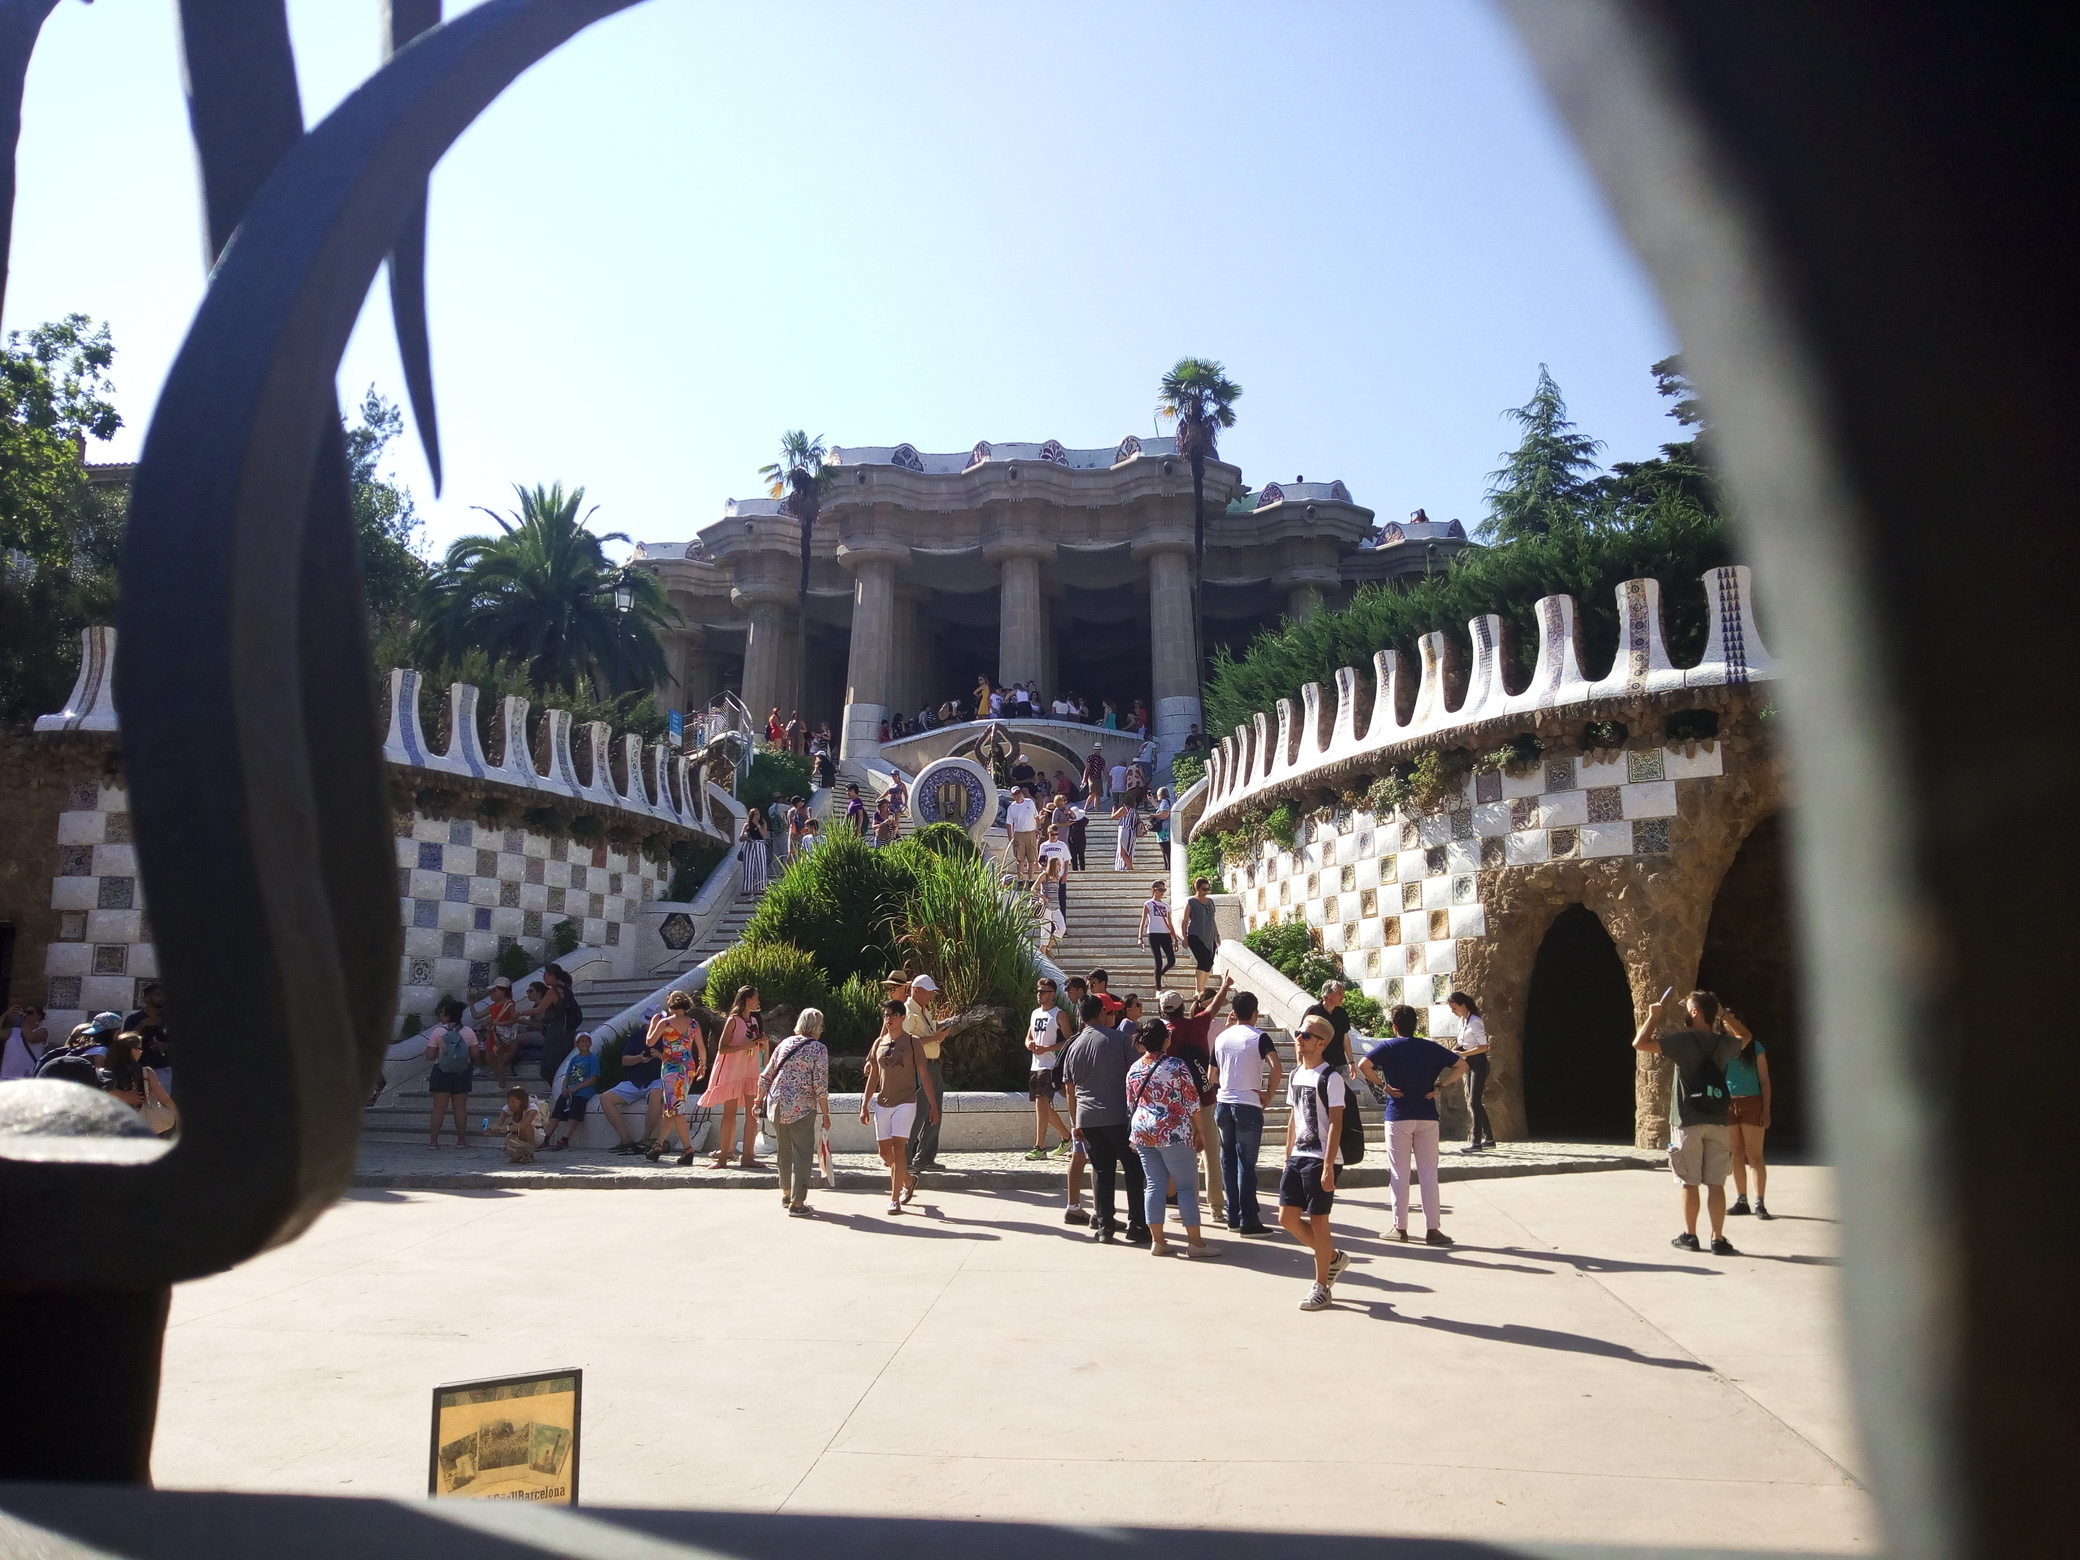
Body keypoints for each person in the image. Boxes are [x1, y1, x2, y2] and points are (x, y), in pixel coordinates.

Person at [1634, 987, 1749, 1255]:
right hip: (1719, 1121)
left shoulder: (1681, 1042)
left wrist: (1653, 1016)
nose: (1685, 1012)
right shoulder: (1723, 1043)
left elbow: (1639, 1043)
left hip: (1687, 1120)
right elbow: (1746, 1036)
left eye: (1687, 1007)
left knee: (1690, 1181)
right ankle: (1718, 1238)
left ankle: (1690, 1235)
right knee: (1716, 1183)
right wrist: (1724, 1015)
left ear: (1696, 1012)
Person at [1360, 1006, 1468, 1244]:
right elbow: (1462, 1065)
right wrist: (1440, 1086)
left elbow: (1363, 1065)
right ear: (1415, 1025)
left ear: (1394, 1026)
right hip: (1427, 1114)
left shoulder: (1389, 1047)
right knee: (1429, 1173)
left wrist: (1383, 1086)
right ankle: (1433, 1229)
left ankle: (1400, 1228)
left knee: (1400, 1173)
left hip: (1398, 1114)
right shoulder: (1430, 1047)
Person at [1127, 1020, 1222, 1259]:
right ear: (1166, 1040)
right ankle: (1195, 1243)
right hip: (1174, 1132)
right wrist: (1200, 1133)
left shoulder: (1135, 1068)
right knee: (1186, 1188)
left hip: (1143, 1132)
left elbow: (1130, 1102)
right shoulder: (1176, 1066)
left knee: (1154, 1185)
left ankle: (1158, 1241)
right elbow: (1192, 1102)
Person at [1061, 994, 1150, 1245]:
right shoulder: (1119, 1039)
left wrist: (1075, 1122)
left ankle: (1104, 1226)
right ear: (1101, 1011)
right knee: (1133, 1168)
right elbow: (1137, 1073)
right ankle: (1137, 1224)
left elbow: (1070, 1088)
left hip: (1087, 1117)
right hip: (1117, 1115)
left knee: (1101, 1170)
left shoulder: (1073, 1046)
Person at [1280, 1013, 1351, 1310]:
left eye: (1305, 1035)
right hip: (1298, 1156)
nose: (1299, 1038)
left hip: (1322, 1158)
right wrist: (1287, 1155)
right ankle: (1333, 1257)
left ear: (1321, 1043)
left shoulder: (1331, 1078)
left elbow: (1336, 1124)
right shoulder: (1296, 1074)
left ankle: (1322, 1286)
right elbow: (1294, 1116)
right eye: (1298, 1033)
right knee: (1287, 1218)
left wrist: (1328, 1165)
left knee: (1319, 1222)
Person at [1158, 974, 1235, 1228]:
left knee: (1184, 1158)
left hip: (1178, 1104)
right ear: (1183, 1007)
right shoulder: (1198, 1024)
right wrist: (1224, 985)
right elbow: (1214, 1005)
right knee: (1212, 1154)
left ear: (1163, 1011)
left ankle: (1186, 1205)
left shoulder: (1162, 1033)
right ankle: (1216, 1209)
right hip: (1205, 1098)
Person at [1211, 989, 1279, 1235]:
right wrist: (1268, 1093)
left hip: (1223, 1103)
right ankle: (1248, 1219)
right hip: (1248, 1103)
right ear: (1255, 1013)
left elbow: (1212, 1076)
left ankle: (1232, 1215)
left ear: (1233, 1012)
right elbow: (1276, 1066)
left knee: (1227, 1161)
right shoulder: (1259, 1037)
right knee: (1246, 1164)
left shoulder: (1221, 1038)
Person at [862, 998, 936, 1214]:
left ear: (902, 1017)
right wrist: (864, 1104)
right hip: (883, 1102)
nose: (888, 1019)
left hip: (906, 1102)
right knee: (885, 1153)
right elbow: (873, 1075)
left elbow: (923, 1073)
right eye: (886, 1015)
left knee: (899, 1148)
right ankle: (908, 1179)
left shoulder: (912, 1042)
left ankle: (894, 1198)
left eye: (892, 1015)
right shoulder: (879, 1043)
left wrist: (933, 1105)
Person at [759, 1006, 832, 1216]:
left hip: (777, 1103)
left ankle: (786, 1193)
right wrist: (826, 1114)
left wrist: (758, 1100)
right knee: (802, 1152)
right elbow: (820, 1085)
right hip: (801, 1106)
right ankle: (798, 1202)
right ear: (817, 1026)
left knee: (784, 1148)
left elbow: (766, 1074)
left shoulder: (785, 1043)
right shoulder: (818, 1049)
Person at [701, 984, 767, 1169]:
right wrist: (746, 1046)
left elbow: (754, 1047)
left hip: (750, 1071)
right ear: (748, 999)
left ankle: (748, 1156)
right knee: (729, 1113)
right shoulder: (733, 1020)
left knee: (752, 1114)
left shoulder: (754, 1022)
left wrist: (760, 1044)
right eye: (756, 997)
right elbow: (722, 1048)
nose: (758, 1001)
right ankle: (723, 1158)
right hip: (733, 1072)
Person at [645, 991, 711, 1165]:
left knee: (676, 1108)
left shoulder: (664, 1022)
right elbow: (701, 1048)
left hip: (671, 1067)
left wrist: (653, 1023)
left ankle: (688, 1150)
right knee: (672, 1106)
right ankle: (657, 1146)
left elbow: (650, 1042)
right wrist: (703, 1066)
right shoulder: (693, 1024)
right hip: (688, 1067)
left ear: (671, 1004)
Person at [900, 971, 955, 1175]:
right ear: (916, 991)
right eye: (928, 993)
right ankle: (905, 1157)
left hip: (932, 1064)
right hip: (919, 1066)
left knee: (935, 1111)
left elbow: (927, 1038)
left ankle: (925, 1157)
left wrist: (937, 1035)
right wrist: (934, 1038)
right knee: (921, 1111)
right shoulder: (908, 1012)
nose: (931, 996)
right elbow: (906, 1041)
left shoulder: (924, 1012)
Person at [1726, 1020, 1774, 1218]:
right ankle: (1741, 1199)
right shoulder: (1722, 1047)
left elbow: (1764, 1080)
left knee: (1754, 1156)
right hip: (1728, 1104)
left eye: (1731, 1022)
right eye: (1724, 1024)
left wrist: (1766, 1110)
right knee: (1736, 1153)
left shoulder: (1755, 1047)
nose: (1727, 1027)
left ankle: (1759, 1203)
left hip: (1752, 1102)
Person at [1024, 976, 1075, 1158]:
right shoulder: (1035, 1013)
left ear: (1052, 994)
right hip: (1035, 1065)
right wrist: (1030, 1044)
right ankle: (1066, 1137)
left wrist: (1048, 1048)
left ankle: (1040, 1147)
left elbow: (1069, 1040)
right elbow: (1029, 1036)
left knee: (1041, 1103)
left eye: (1043, 992)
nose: (1039, 995)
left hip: (1050, 1065)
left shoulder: (1059, 1014)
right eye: (1038, 991)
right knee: (1041, 1106)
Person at [601, 1017, 667, 1153]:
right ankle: (626, 1140)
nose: (651, 1024)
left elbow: (677, 1061)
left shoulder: (668, 1035)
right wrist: (639, 1058)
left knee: (656, 1093)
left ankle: (645, 1140)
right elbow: (625, 1060)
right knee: (605, 1098)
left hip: (657, 1079)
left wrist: (661, 1056)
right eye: (649, 1021)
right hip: (636, 1081)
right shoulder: (637, 1035)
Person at [423, 998, 479, 1149]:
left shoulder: (438, 1031)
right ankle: (461, 1141)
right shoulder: (468, 1032)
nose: (440, 1017)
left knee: (438, 1108)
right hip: (462, 1072)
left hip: (441, 1071)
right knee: (460, 1108)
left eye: (442, 1014)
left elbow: (429, 1055)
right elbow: (474, 1054)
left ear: (447, 1016)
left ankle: (433, 1142)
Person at [1446, 991, 1494, 1152]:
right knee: (1475, 1101)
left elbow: (1483, 1046)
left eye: (1454, 1008)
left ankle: (1476, 1142)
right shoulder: (1462, 1021)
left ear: (1463, 1006)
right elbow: (1464, 1043)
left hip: (1478, 1063)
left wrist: (1464, 1054)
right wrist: (1457, 1050)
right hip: (1469, 1063)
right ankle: (1489, 1138)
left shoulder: (1475, 1021)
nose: (1453, 1012)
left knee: (1474, 1101)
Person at [542, 1031, 600, 1149]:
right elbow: (567, 1076)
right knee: (557, 1110)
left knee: (574, 1113)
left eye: (586, 1040)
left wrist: (576, 1088)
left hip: (583, 1092)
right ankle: (545, 1138)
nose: (584, 1043)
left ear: (590, 1043)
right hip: (570, 1091)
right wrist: (564, 1088)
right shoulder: (574, 1059)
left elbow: (593, 1078)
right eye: (581, 1041)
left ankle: (564, 1140)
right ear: (577, 1044)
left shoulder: (592, 1058)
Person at [124, 982, 172, 1095]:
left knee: (162, 1104)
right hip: (139, 1068)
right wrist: (143, 1025)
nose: (162, 998)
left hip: (163, 1068)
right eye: (158, 994)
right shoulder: (134, 1019)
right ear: (146, 998)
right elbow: (125, 1042)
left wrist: (166, 1046)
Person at [1303, 981, 1354, 1077]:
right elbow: (1302, 1038)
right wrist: (1301, 1062)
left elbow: (1345, 1039)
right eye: (1339, 993)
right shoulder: (1313, 1012)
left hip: (1339, 1064)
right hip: (1318, 1064)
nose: (1342, 996)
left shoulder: (1342, 1013)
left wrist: (1351, 1062)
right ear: (1329, 995)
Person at [1183, 877, 1221, 997]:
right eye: (1204, 889)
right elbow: (1184, 921)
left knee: (1209, 962)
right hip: (1195, 935)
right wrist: (1184, 937)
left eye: (1207, 889)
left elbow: (1212, 920)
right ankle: (1198, 990)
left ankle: (1203, 989)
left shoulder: (1210, 902)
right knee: (1203, 960)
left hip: (1210, 937)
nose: (1206, 891)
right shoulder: (1191, 902)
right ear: (1197, 888)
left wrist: (1217, 935)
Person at [481, 976, 519, 1087]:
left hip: (502, 1036)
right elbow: (476, 1015)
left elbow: (514, 1019)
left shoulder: (509, 1004)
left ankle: (502, 1085)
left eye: (495, 990)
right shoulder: (494, 1006)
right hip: (494, 1035)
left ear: (503, 991)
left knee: (499, 1061)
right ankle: (501, 1082)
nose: (492, 993)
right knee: (489, 1058)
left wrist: (498, 1023)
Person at [1139, 879, 1177, 988]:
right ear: (1154, 890)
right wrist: (1140, 937)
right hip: (1153, 933)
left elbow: (1169, 921)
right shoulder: (1148, 903)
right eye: (1160, 889)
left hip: (1165, 933)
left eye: (1164, 890)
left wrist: (1174, 938)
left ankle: (1159, 974)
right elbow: (1143, 920)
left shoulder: (1166, 905)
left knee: (1171, 960)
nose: (1162, 892)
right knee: (1158, 961)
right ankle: (1158, 988)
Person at [491, 1085, 543, 1163]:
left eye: (513, 1102)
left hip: (535, 1136)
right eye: (508, 1101)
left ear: (521, 1101)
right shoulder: (507, 1108)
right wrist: (492, 1129)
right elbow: (499, 1125)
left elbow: (523, 1126)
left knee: (526, 1127)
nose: (510, 1104)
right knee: (509, 1140)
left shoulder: (532, 1108)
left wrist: (505, 1128)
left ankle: (529, 1155)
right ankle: (519, 1155)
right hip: (518, 1134)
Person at [1, 1003, 49, 1081]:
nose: (26, 1014)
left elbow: (30, 1037)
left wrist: (22, 1017)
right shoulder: (13, 1031)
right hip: (6, 1077)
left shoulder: (43, 1031)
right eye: (25, 1012)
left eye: (30, 1012)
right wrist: (6, 1014)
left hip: (27, 1079)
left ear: (39, 1016)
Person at [1005, 785, 1040, 882]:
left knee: (1031, 858)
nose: (1018, 795)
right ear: (1013, 796)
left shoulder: (1030, 802)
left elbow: (1036, 817)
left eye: (1019, 793)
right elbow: (1009, 824)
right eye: (1015, 794)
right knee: (1019, 859)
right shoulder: (1012, 807)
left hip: (1031, 832)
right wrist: (1010, 838)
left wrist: (1039, 828)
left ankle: (1031, 879)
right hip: (1019, 833)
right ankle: (1020, 879)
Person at [741, 808, 770, 894]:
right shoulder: (747, 825)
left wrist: (758, 825)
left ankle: (761, 887)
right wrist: (746, 837)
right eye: (755, 814)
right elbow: (741, 838)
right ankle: (747, 888)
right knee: (748, 867)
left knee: (761, 866)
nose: (757, 816)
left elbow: (764, 836)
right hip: (749, 845)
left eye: (758, 814)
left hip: (759, 844)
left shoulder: (763, 823)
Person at [1109, 797, 1140, 871]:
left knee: (1122, 852)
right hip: (1132, 833)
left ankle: (1130, 868)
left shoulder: (1124, 809)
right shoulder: (1134, 812)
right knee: (1128, 851)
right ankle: (1127, 866)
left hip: (1124, 831)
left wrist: (1113, 811)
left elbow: (1113, 817)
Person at [1150, 787, 1173, 868]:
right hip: (1168, 830)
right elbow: (1159, 807)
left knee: (1165, 850)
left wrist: (1152, 815)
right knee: (1166, 850)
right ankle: (1167, 866)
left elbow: (1164, 814)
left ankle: (1168, 866)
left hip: (1164, 831)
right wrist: (1152, 800)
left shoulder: (1164, 802)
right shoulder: (1169, 801)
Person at [1065, 798, 1089, 871]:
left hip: (1081, 840)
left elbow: (1086, 820)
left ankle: (1082, 870)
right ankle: (1075, 870)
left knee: (1081, 856)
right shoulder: (1069, 821)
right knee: (1073, 857)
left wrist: (1077, 817)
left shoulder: (1082, 821)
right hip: (1072, 841)